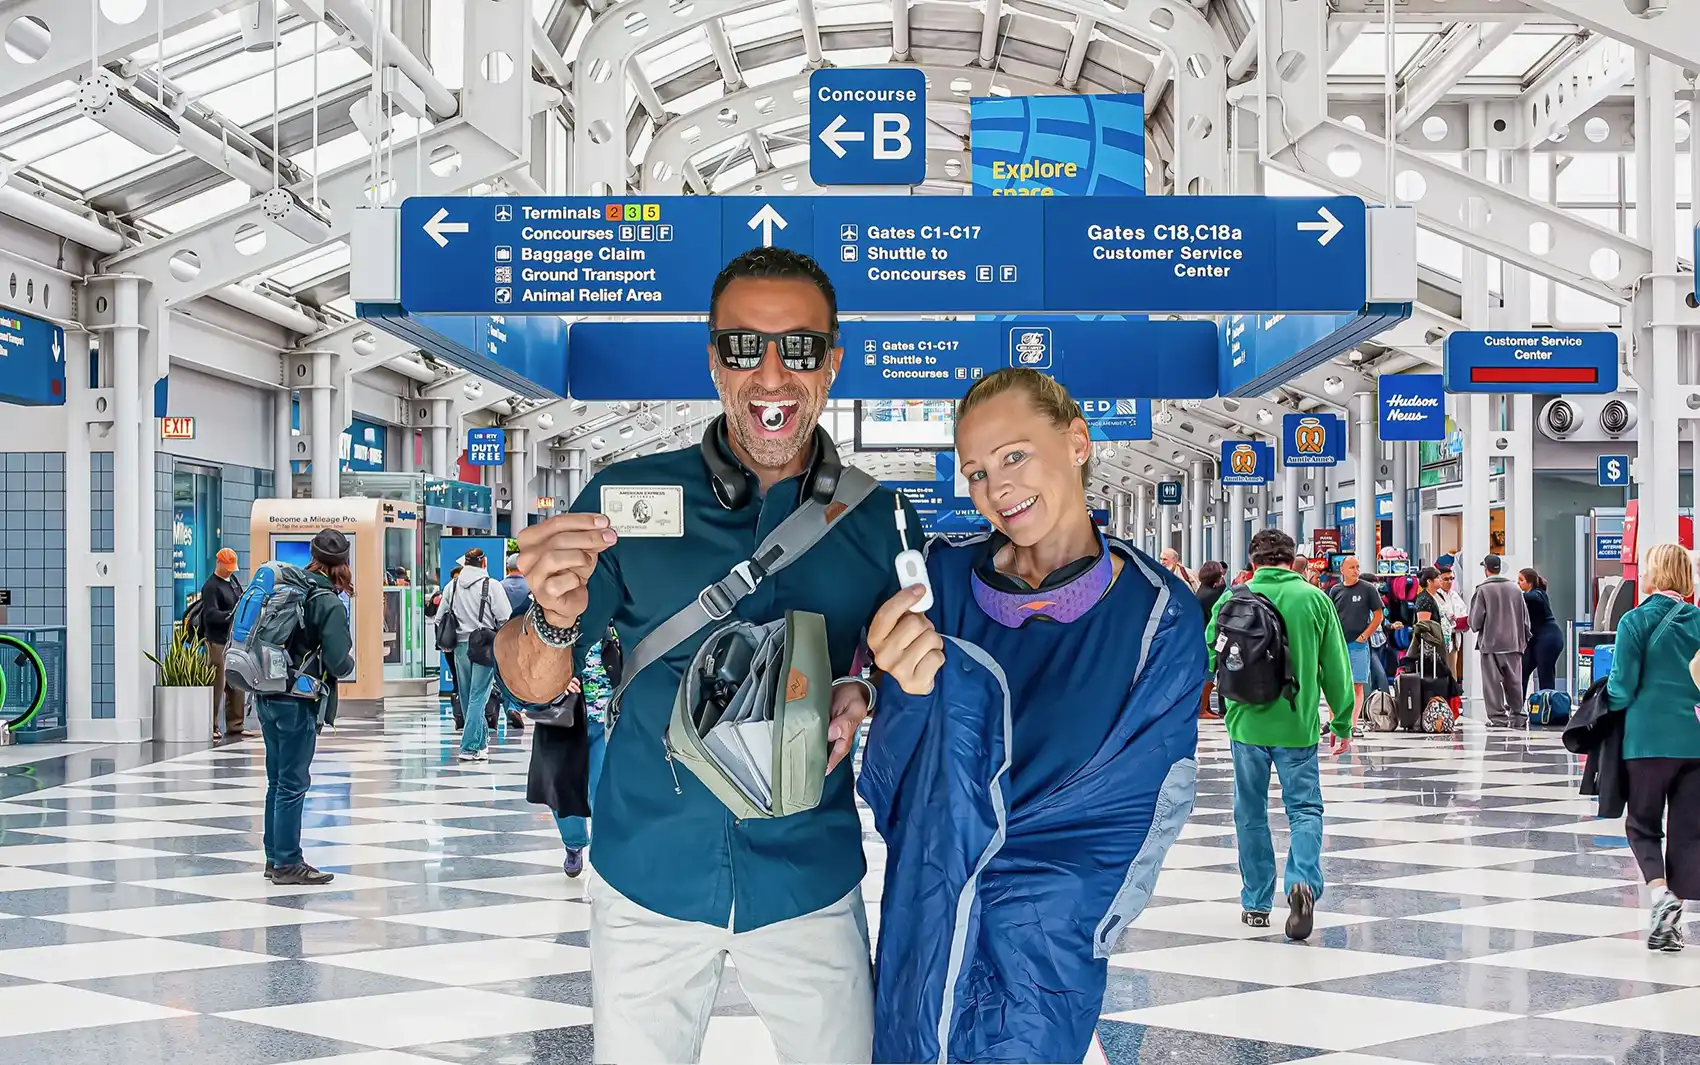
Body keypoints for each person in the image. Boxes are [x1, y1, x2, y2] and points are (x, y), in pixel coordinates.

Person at [494, 247, 919, 1063]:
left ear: (831, 362)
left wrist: (864, 687)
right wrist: (551, 616)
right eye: (741, 348)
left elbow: (916, 679)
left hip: (808, 877)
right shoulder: (624, 500)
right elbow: (529, 682)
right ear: (712, 360)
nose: (770, 375)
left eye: (798, 349)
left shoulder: (882, 519)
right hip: (648, 870)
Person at [858, 368, 1200, 1063]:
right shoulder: (938, 586)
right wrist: (902, 690)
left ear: (1076, 440)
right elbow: (891, 789)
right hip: (928, 912)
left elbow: (1141, 799)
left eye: (1014, 455)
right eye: (977, 472)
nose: (996, 488)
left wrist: (1072, 911)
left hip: (1047, 933)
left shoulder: (1155, 613)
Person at [1205, 528, 1355, 941]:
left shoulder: (1231, 598)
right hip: (1296, 724)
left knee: (1249, 811)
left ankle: (1255, 903)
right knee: (1304, 809)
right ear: (1292, 559)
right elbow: (1337, 669)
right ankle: (1301, 881)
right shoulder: (1315, 598)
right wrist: (1342, 722)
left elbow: (1209, 652)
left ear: (1253, 562)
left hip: (1245, 724)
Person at [1603, 542, 1700, 952]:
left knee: (1642, 824)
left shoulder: (1634, 621)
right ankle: (1672, 917)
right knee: (1687, 833)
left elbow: (1621, 688)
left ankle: (1660, 896)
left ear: (1654, 573)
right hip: (1693, 741)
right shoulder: (1698, 621)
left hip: (1645, 740)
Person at [260, 529, 354, 887]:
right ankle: (287, 863)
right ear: (343, 563)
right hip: (298, 700)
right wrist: (347, 663)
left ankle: (274, 857)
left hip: (267, 693)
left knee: (277, 781)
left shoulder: (290, 588)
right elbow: (337, 659)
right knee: (293, 783)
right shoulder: (327, 600)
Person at [556, 624, 620, 878]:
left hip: (606, 722)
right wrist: (555, 681)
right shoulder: (553, 625)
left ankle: (604, 850)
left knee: (601, 787)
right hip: (567, 721)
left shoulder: (612, 627)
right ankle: (573, 843)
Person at [446, 548, 511, 761]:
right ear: (483, 563)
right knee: (478, 695)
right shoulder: (491, 586)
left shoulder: (452, 586)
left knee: (466, 695)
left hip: (460, 645)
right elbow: (505, 618)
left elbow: (440, 617)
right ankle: (469, 746)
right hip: (484, 644)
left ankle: (480, 742)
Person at [1470, 553, 1532, 728]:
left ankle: (1498, 718)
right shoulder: (1516, 589)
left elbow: (1475, 622)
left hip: (1491, 644)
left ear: (1486, 570)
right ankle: (1518, 715)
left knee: (1492, 684)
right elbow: (1526, 620)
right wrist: (1523, 639)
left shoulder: (1482, 590)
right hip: (1514, 643)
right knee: (1514, 682)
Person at [197, 547, 253, 740]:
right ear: (218, 563)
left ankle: (236, 724)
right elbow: (211, 615)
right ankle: (211, 724)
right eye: (227, 567)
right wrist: (232, 616)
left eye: (232, 568)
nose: (230, 571)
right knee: (217, 683)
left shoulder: (233, 582)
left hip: (233, 642)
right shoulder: (211, 586)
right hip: (217, 642)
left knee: (236, 683)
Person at [1329, 556, 1385, 735]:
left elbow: (1378, 615)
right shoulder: (1335, 590)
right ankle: (1334, 723)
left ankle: (1353, 724)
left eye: (1357, 567)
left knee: (1357, 684)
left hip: (1358, 644)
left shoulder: (1368, 589)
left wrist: (1365, 635)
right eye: (1351, 567)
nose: (1355, 570)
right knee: (1335, 684)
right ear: (1342, 570)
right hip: (1338, 644)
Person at [1519, 566, 1565, 694]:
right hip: (1536, 639)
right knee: (1522, 670)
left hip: (1549, 639)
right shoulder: (1530, 596)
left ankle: (1547, 705)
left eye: (1521, 580)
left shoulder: (1538, 594)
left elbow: (1532, 598)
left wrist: (1513, 593)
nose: (1519, 583)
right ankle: (1517, 706)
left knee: (1545, 673)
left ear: (1530, 582)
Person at [1196, 560, 1229, 719]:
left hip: (1200, 637)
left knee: (1207, 674)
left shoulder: (1202, 591)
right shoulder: (1215, 595)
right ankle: (1202, 709)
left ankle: (1205, 708)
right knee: (1209, 675)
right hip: (1209, 639)